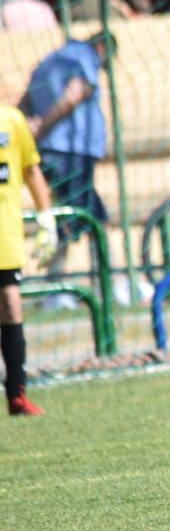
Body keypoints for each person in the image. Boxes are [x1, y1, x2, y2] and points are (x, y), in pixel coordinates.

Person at [18, 32, 111, 291]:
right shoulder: (85, 57)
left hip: (48, 150)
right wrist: (43, 126)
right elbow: (74, 94)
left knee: (67, 215)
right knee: (92, 219)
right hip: (70, 150)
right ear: (102, 48)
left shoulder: (49, 60)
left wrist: (31, 126)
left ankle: (57, 282)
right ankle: (107, 284)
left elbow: (25, 101)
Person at [0, 101, 57, 416]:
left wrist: (46, 218)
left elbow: (31, 169)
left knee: (11, 305)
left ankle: (17, 395)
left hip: (4, 234)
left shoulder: (11, 120)